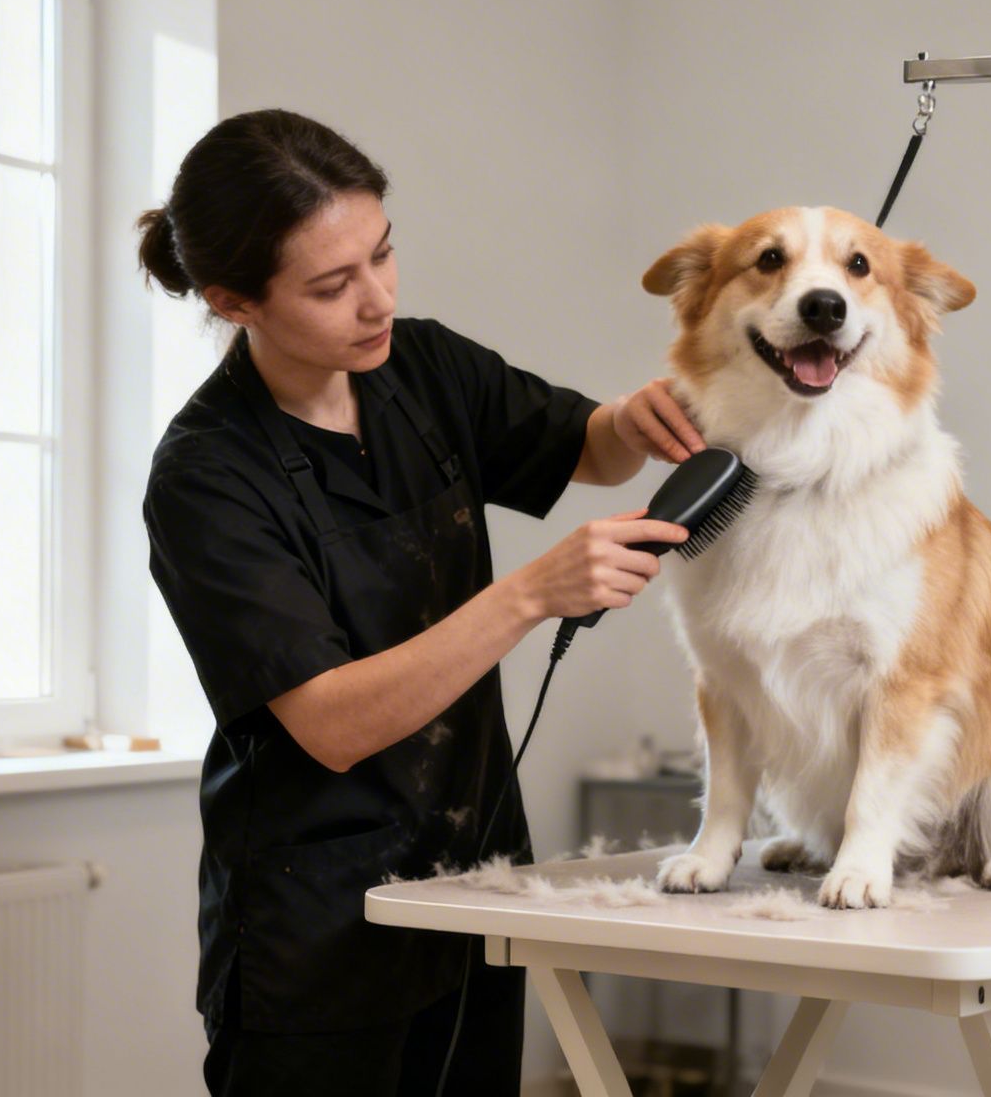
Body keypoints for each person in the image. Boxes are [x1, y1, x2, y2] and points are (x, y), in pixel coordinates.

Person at [138, 109, 705, 1097]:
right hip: (313, 935)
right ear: (234, 302)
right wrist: (530, 593)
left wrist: (640, 417)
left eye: (384, 255)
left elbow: (585, 445)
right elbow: (330, 723)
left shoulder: (422, 367)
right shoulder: (207, 476)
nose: (376, 299)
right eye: (331, 284)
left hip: (473, 881)